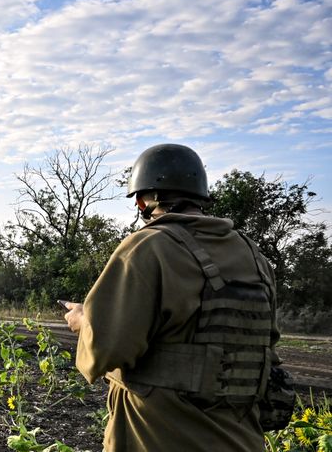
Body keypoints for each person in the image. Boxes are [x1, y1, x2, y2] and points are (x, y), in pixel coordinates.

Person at [63, 143, 280, 451]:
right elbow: (265, 344)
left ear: (142, 202)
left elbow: (104, 350)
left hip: (161, 438)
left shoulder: (147, 247)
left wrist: (83, 321)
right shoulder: (253, 255)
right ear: (201, 197)